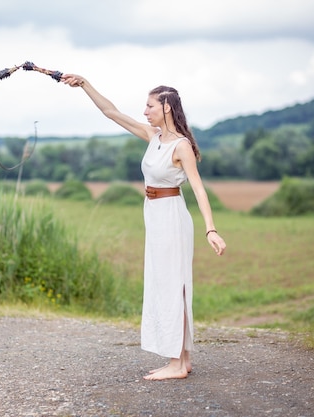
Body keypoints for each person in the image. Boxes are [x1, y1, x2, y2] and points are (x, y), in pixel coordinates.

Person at [61, 74, 227, 381]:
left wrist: (211, 229)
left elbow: (199, 190)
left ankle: (176, 364)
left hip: (172, 218)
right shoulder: (153, 137)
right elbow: (110, 112)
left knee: (171, 285)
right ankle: (183, 359)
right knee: (166, 284)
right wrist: (84, 85)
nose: (144, 111)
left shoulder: (181, 146)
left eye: (150, 105)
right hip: (155, 215)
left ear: (166, 107)